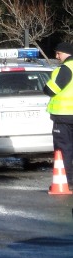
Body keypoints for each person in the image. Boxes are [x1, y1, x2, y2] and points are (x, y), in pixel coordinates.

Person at [44, 42, 73, 191]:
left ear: (66, 53)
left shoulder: (65, 69)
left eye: (58, 53)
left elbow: (50, 89)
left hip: (64, 116)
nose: (56, 56)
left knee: (64, 150)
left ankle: (67, 181)